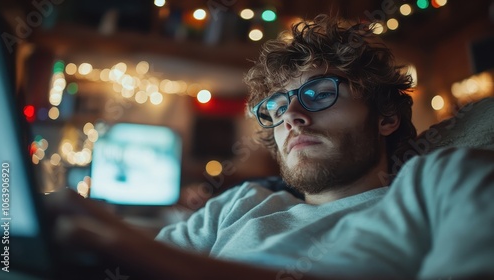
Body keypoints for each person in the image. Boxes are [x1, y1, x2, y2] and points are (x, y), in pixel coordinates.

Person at [47, 14, 494, 279]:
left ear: (386, 117)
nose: (292, 117)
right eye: (276, 108)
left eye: (320, 94)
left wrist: (127, 244)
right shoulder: (239, 205)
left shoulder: (441, 182)